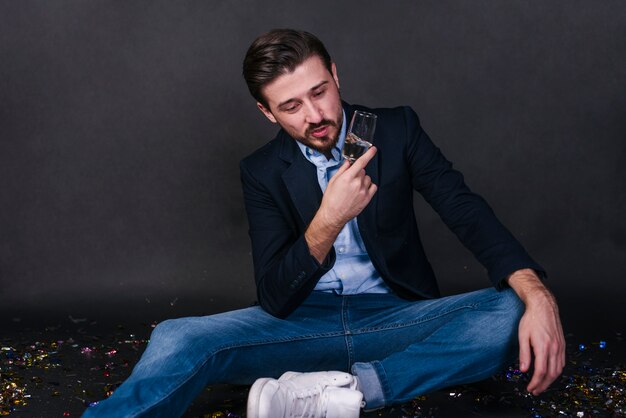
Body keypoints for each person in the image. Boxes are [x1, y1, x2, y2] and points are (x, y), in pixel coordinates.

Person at [82, 29, 565, 418]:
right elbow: (274, 294)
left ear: (335, 75)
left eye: (320, 91)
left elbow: (465, 210)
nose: (315, 115)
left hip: (393, 318)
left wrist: (537, 293)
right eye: (291, 106)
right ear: (266, 112)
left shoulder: (396, 130)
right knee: (177, 335)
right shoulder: (262, 170)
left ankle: (343, 394)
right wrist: (327, 222)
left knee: (511, 309)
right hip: (298, 326)